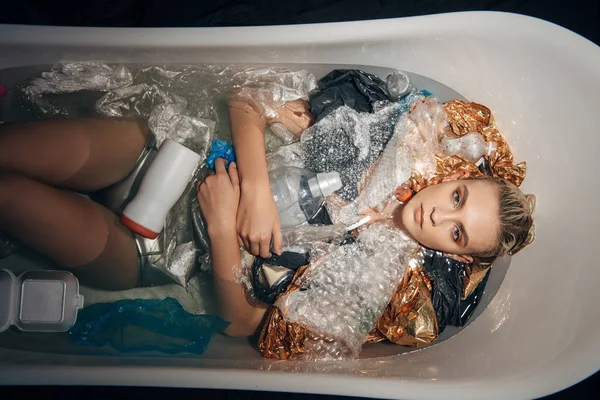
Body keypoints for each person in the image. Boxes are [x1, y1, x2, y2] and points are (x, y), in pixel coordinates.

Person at [198, 94, 536, 339]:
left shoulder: (382, 286)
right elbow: (249, 99)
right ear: (451, 178)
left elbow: (238, 322)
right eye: (457, 198)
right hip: (207, 159)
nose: (437, 215)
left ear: (454, 255)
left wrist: (222, 226)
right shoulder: (377, 146)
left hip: (195, 252)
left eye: (456, 232)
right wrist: (256, 194)